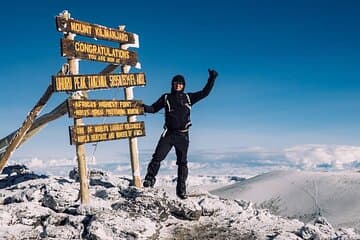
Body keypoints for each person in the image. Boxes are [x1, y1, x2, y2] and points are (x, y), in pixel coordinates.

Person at [142, 69, 218, 199]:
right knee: (157, 157)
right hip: (168, 134)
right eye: (176, 83)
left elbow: (205, 93)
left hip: (183, 136)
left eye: (180, 84)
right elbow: (153, 109)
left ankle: (181, 190)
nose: (178, 85)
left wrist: (212, 78)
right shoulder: (166, 97)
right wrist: (141, 107)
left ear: (183, 85)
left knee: (182, 163)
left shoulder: (188, 98)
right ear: (172, 84)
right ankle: (150, 179)